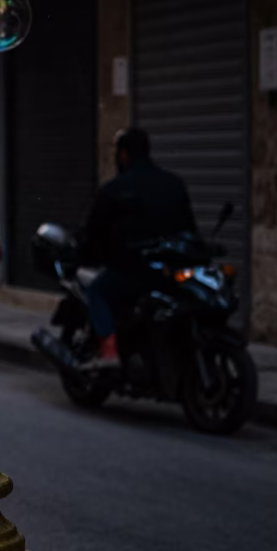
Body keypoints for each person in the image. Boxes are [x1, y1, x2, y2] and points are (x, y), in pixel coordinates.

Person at [77, 128, 196, 370]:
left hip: (132, 272)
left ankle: (109, 353)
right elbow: (189, 228)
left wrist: (85, 254)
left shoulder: (115, 189)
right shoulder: (174, 184)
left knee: (97, 291)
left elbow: (94, 231)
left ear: (123, 155)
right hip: (170, 273)